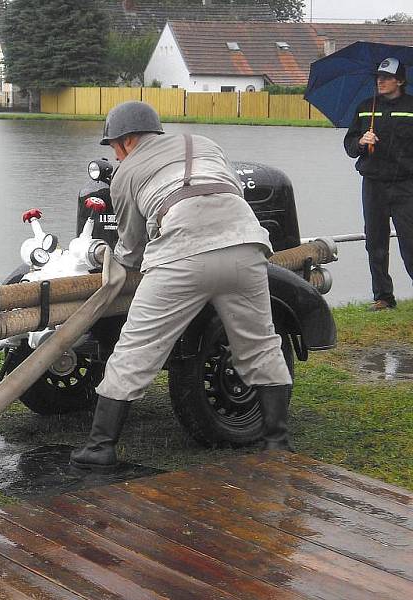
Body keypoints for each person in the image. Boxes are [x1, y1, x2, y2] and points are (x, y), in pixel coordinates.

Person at [70, 101, 293, 472]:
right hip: (245, 244)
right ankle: (276, 442)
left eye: (111, 145)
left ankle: (100, 447)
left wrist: (118, 271)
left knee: (136, 348)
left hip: (181, 254)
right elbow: (232, 191)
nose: (113, 152)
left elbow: (131, 244)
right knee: (260, 345)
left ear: (125, 141)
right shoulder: (204, 142)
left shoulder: (125, 173)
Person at [344, 57, 413, 312]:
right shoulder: (365, 108)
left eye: (386, 77)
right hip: (373, 185)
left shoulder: (411, 106)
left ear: (400, 81)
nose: (381, 81)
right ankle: (384, 297)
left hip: (406, 186)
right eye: (379, 77)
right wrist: (362, 141)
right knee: (375, 242)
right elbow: (350, 146)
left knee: (410, 241)